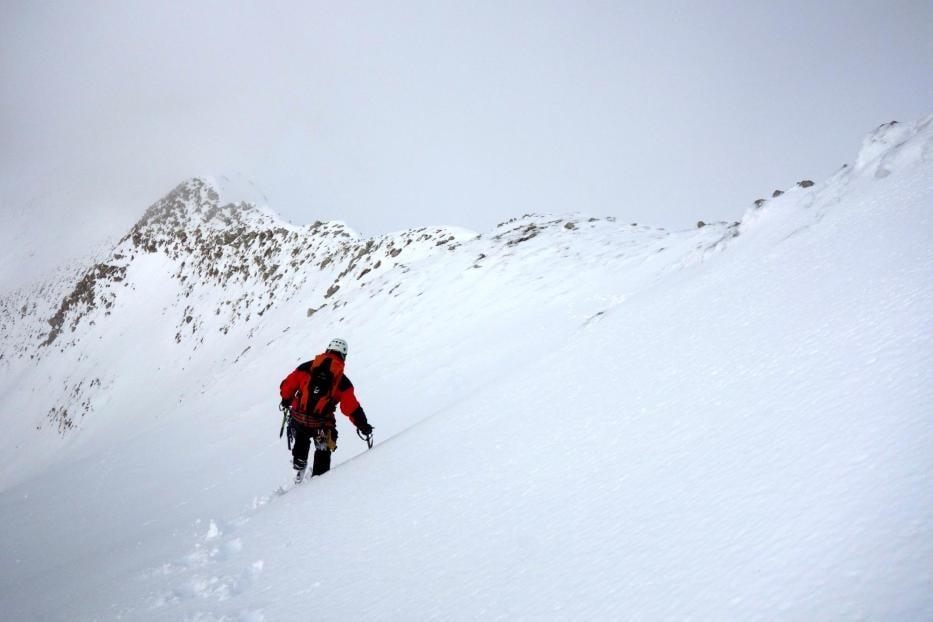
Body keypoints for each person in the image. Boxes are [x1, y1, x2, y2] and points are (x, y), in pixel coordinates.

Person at [278, 338, 373, 483]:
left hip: (299, 418)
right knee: (323, 450)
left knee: (301, 438)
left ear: (327, 350)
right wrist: (363, 425)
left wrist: (286, 400)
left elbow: (287, 386)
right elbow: (350, 407)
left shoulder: (307, 367)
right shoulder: (342, 381)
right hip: (321, 425)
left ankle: (298, 469)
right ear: (344, 356)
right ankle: (319, 482)